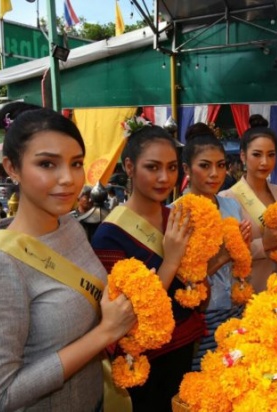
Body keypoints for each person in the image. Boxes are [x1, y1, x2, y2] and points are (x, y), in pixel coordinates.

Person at [0, 107, 136, 411]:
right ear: (12, 167)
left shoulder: (70, 226)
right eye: (47, 164)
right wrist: (105, 333)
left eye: (76, 164)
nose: (68, 179)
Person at [91, 124, 203, 412]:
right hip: (146, 361)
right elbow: (126, 316)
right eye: (152, 167)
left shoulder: (175, 216)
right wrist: (172, 259)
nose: (164, 178)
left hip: (186, 343)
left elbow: (192, 283)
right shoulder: (109, 235)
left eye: (172, 167)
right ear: (129, 166)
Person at [180, 128, 252, 371]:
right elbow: (184, 279)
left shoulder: (231, 205)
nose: (215, 174)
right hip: (203, 315)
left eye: (221, 165)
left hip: (236, 305)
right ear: (187, 170)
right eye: (205, 166)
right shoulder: (177, 214)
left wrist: (243, 245)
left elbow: (241, 256)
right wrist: (223, 256)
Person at [219, 126, 277, 293]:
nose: (265, 162)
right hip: (249, 289)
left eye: (271, 155)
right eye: (257, 154)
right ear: (243, 156)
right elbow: (226, 253)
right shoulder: (227, 198)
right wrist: (264, 244)